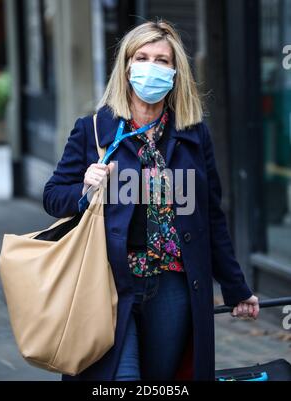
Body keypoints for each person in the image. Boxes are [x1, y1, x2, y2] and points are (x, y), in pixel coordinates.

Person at [43, 20, 259, 381]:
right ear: (127, 67)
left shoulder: (192, 134)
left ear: (176, 72)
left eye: (162, 60)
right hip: (108, 282)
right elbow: (52, 198)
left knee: (162, 380)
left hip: (172, 285)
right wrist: (84, 187)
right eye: (141, 57)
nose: (151, 67)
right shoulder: (93, 130)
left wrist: (237, 287)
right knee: (121, 378)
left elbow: (211, 218)